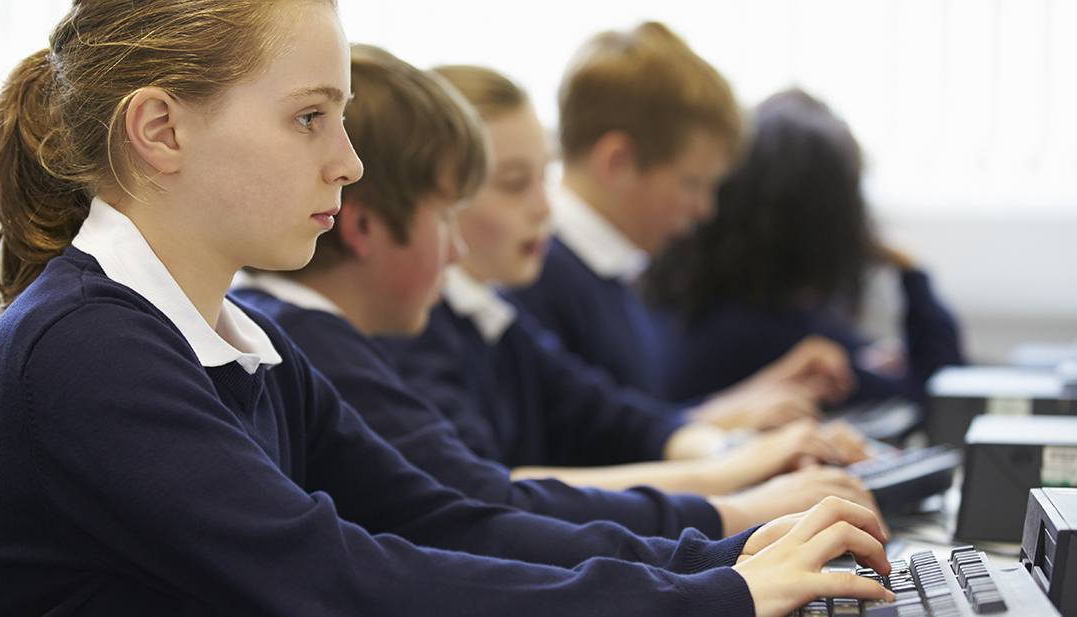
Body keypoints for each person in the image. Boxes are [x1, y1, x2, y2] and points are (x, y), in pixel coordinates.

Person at [0, 2, 895, 615]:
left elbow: (454, 512)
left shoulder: (245, 341)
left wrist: (720, 555)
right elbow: (329, 579)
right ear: (161, 129)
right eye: (310, 116)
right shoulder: (78, 349)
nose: (346, 161)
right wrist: (707, 596)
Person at [234, 46, 876, 542]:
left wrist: (734, 478)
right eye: (450, 213)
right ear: (365, 224)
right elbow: (483, 510)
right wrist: (729, 517)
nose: (455, 251)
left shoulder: (349, 334)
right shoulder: (322, 345)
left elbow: (598, 422)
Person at [512, 22, 855, 422]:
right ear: (617, 163)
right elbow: (590, 461)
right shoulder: (540, 277)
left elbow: (633, 431)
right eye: (692, 183)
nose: (704, 210)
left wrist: (754, 398)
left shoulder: (606, 272)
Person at [644, 89, 966, 406]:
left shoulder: (687, 308)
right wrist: (912, 269)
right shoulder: (777, 334)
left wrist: (864, 357)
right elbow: (940, 392)